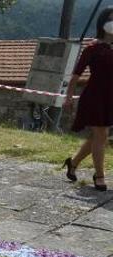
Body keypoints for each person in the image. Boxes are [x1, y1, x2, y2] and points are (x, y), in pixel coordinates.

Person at [63, 6, 113, 192]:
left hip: (110, 98)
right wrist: (68, 97)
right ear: (103, 23)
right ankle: (99, 176)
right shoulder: (92, 48)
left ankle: (73, 162)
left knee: (98, 137)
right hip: (94, 97)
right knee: (101, 135)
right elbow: (76, 75)